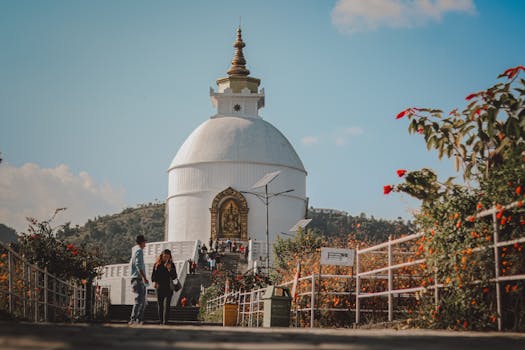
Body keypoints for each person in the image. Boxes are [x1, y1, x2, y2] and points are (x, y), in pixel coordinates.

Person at [151, 249, 177, 325]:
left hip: (168, 287)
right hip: (159, 287)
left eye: (168, 257)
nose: (166, 258)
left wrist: (169, 269)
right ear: (162, 256)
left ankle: (165, 321)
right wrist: (155, 282)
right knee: (160, 305)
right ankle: (161, 321)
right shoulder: (157, 264)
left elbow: (175, 276)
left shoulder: (171, 264)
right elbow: (153, 276)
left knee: (167, 305)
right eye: (165, 256)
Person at [129, 234, 148, 325]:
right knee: (140, 301)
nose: (145, 244)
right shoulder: (139, 251)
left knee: (141, 300)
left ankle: (137, 319)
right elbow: (138, 265)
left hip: (135, 278)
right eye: (145, 242)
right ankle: (135, 319)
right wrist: (144, 277)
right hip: (138, 278)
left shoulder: (134, 250)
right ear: (142, 242)